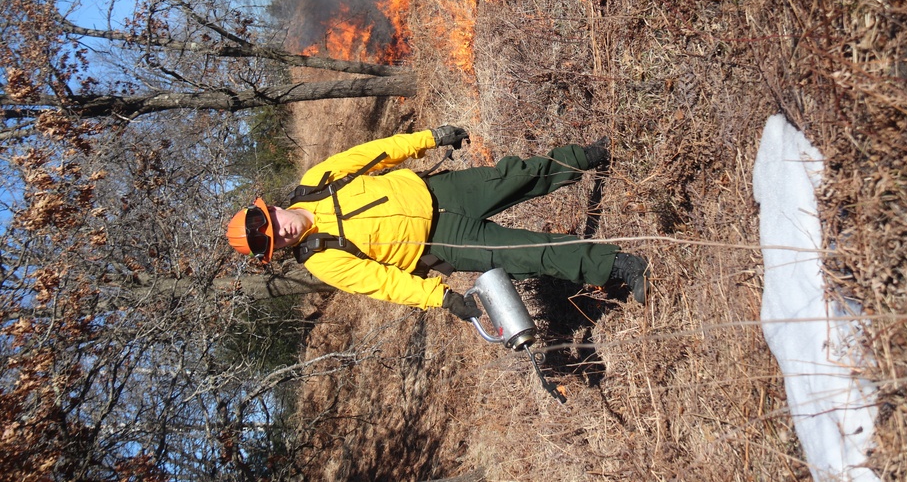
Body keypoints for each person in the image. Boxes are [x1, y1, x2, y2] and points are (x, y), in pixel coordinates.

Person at [225, 126, 650, 319]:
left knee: (520, 174)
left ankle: (594, 155)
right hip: (443, 243)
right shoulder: (320, 260)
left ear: (270, 209)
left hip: (438, 192)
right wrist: (440, 299)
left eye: (269, 224)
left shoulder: (316, 182)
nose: (279, 233)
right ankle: (617, 266)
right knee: (526, 251)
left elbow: (375, 154)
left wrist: (428, 139)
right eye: (272, 243)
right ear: (275, 251)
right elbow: (384, 283)